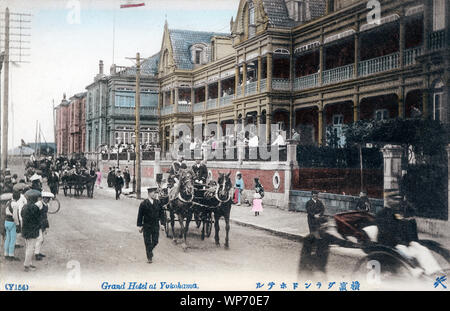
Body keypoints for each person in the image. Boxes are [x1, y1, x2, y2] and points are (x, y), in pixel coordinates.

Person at [137, 185, 166, 263]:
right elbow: (140, 215)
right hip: (146, 226)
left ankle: (149, 251)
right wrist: (139, 226)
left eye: (155, 193)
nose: (155, 194)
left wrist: (162, 224)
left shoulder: (158, 203)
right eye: (153, 193)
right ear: (149, 193)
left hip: (155, 225)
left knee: (155, 241)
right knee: (147, 241)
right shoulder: (143, 204)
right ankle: (149, 257)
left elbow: (161, 214)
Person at [21, 189, 42, 272]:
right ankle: (26, 265)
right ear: (34, 199)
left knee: (28, 247)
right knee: (31, 248)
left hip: (25, 229)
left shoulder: (24, 207)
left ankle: (29, 263)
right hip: (32, 230)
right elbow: (38, 219)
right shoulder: (35, 207)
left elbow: (22, 216)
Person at [4, 191, 20, 261]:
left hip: (6, 221)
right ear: (18, 197)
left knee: (8, 238)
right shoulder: (15, 204)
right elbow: (15, 216)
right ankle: (11, 255)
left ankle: (6, 254)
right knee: (12, 239)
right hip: (12, 222)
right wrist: (17, 224)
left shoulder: (8, 202)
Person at [34, 192, 51, 261]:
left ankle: (38, 252)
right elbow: (34, 211)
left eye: (48, 199)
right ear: (43, 198)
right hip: (38, 223)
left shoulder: (47, 205)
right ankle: (36, 254)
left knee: (42, 239)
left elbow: (46, 214)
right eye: (46, 198)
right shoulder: (39, 204)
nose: (47, 200)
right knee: (39, 239)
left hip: (43, 222)